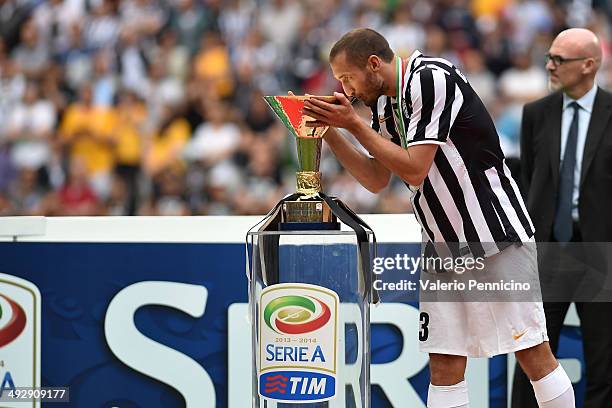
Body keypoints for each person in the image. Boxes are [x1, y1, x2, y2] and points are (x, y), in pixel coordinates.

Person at [302, 28, 575, 408]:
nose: (346, 90)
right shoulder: (383, 102)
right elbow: (377, 178)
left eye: (347, 78)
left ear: (374, 65)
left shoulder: (430, 77)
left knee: (531, 352)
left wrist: (352, 124)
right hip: (441, 242)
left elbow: (414, 170)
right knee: (444, 364)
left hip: (492, 232)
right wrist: (330, 129)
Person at [512, 28, 612, 408]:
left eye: (559, 60)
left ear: (589, 65)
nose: (550, 66)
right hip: (547, 254)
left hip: (601, 255)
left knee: (604, 365)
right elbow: (533, 182)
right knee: (532, 361)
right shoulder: (535, 114)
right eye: (549, 57)